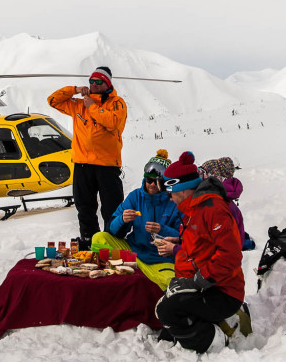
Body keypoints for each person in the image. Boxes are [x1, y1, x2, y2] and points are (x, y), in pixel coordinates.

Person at [154, 152, 245, 354]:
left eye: (170, 191)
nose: (169, 197)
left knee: (167, 311)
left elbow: (230, 256)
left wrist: (196, 282)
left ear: (183, 188)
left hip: (223, 291)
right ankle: (208, 324)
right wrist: (179, 242)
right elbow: (202, 244)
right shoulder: (194, 209)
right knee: (165, 307)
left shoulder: (213, 209)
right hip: (206, 285)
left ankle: (215, 340)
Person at [47, 66, 128, 245]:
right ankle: (89, 240)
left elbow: (113, 123)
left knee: (112, 208)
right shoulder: (78, 104)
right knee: (84, 207)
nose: (93, 84)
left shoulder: (117, 103)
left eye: (98, 82)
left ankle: (112, 241)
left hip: (107, 165)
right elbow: (53, 100)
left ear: (107, 84)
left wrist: (91, 107)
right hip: (82, 164)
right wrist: (74, 90)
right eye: (91, 81)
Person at [90, 150, 182, 289]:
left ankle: (145, 272)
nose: (151, 184)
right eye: (148, 180)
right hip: (133, 252)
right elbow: (111, 229)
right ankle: (132, 266)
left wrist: (162, 230)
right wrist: (122, 220)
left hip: (159, 259)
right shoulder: (135, 196)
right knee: (99, 237)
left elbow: (183, 236)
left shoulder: (173, 201)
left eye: (156, 182)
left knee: (170, 282)